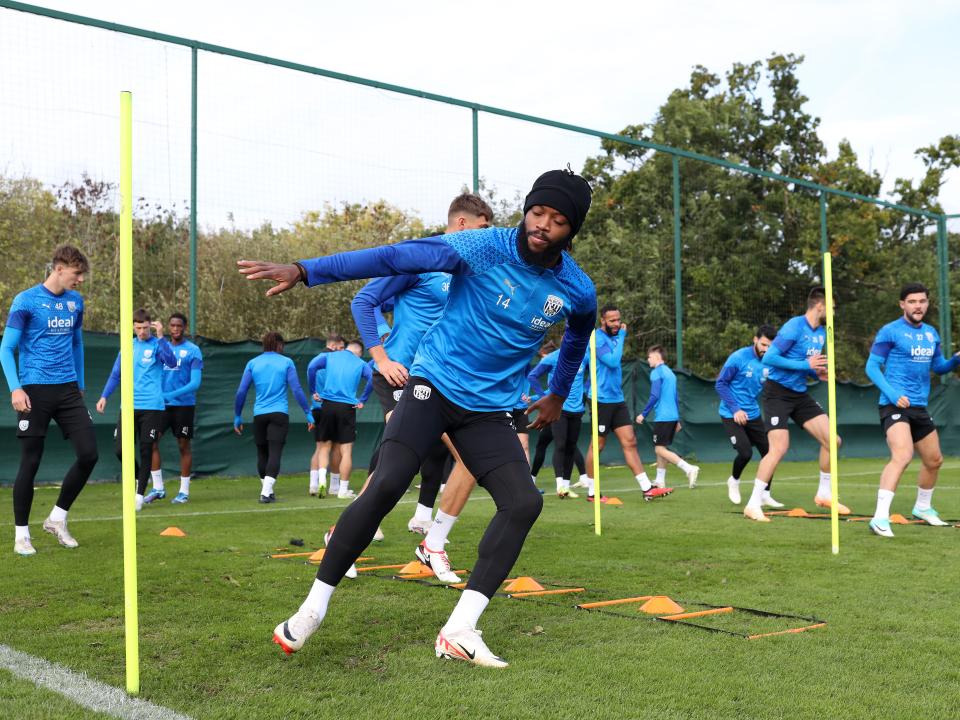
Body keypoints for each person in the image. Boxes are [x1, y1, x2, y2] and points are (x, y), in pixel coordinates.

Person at [240, 167, 595, 668]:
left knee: (522, 503)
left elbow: (579, 336)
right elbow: (393, 256)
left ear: (571, 229)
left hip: (489, 409)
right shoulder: (482, 246)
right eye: (537, 211)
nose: (542, 224)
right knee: (387, 483)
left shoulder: (577, 289)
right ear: (527, 210)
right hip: (433, 384)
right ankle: (311, 608)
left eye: (557, 220)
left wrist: (558, 392)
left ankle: (460, 628)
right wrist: (304, 270)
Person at [350, 193, 494, 533]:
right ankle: (350, 530)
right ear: (462, 223)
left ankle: (428, 531)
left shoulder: (467, 269)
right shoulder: (424, 258)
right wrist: (382, 356)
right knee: (399, 461)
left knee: (461, 459)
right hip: (400, 374)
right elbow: (365, 301)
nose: (488, 234)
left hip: (438, 377)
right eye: (483, 227)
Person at [1, 245, 99, 555]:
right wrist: (16, 389)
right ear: (59, 269)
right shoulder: (26, 301)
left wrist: (81, 383)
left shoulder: (75, 302)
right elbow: (6, 349)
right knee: (31, 461)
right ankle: (21, 535)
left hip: (68, 390)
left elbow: (77, 343)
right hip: (34, 390)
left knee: (89, 454)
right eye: (76, 273)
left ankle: (57, 518)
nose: (80, 279)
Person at [864, 283, 959, 537]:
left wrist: (956, 360)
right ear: (902, 304)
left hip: (919, 406)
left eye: (922, 301)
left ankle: (923, 508)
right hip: (893, 405)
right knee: (903, 455)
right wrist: (893, 394)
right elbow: (872, 368)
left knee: (934, 460)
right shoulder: (890, 331)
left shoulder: (931, 334)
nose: (918, 306)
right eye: (912, 301)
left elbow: (938, 367)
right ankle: (880, 517)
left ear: (927, 304)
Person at [743, 287, 844, 522]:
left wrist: (816, 372)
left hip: (799, 393)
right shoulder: (794, 327)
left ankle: (824, 493)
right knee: (779, 448)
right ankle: (753, 504)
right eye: (833, 308)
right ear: (820, 305)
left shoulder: (821, 332)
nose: (834, 313)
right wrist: (806, 365)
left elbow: (804, 363)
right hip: (777, 393)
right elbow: (769, 358)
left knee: (833, 440)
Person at [96, 309, 177, 511]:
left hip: (152, 407)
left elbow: (172, 362)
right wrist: (104, 396)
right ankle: (141, 477)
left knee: (146, 448)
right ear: (133, 327)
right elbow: (116, 374)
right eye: (138, 327)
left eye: (145, 327)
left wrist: (161, 337)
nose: (141, 331)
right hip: (128, 407)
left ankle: (139, 494)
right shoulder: (127, 346)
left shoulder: (157, 345)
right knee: (120, 450)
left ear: (150, 325)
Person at [582, 305, 655, 495]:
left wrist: (618, 338)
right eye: (612, 320)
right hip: (600, 399)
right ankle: (592, 492)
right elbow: (613, 361)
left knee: (630, 441)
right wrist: (622, 336)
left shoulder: (613, 339)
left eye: (618, 319)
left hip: (617, 399)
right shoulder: (596, 338)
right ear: (603, 321)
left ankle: (647, 488)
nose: (616, 324)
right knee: (597, 445)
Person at [233, 332, 313, 503]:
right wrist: (307, 412)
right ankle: (265, 492)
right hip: (279, 414)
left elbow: (241, 391)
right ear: (279, 345)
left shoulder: (253, 363)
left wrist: (237, 416)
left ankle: (267, 491)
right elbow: (297, 389)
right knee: (275, 452)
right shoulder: (286, 362)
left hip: (259, 415)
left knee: (262, 453)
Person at [715, 325, 779, 506]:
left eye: (770, 347)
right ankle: (733, 481)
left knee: (770, 453)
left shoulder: (772, 361)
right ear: (755, 340)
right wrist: (735, 409)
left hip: (753, 414)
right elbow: (720, 384)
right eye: (764, 345)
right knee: (745, 453)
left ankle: (765, 494)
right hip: (730, 413)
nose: (766, 350)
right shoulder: (738, 358)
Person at [148, 312, 203, 504]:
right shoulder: (160, 347)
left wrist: (170, 395)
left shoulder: (193, 350)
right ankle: (158, 488)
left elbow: (195, 383)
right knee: (152, 442)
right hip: (160, 407)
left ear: (184, 328)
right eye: (172, 325)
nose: (176, 329)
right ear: (168, 327)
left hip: (184, 406)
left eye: (179, 326)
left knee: (183, 446)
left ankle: (184, 491)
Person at [309, 339, 373, 499]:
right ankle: (342, 490)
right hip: (347, 408)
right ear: (359, 352)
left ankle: (322, 480)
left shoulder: (330, 356)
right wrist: (363, 400)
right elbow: (373, 378)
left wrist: (312, 390)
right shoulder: (360, 363)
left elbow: (311, 367)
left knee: (324, 447)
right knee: (345, 450)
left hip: (327, 405)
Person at [527, 347, 589, 498]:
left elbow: (595, 374)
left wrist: (585, 391)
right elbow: (532, 376)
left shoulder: (584, 356)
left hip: (577, 410)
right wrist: (542, 398)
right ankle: (559, 485)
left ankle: (567, 487)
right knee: (559, 445)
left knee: (571, 447)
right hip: (559, 409)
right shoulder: (552, 358)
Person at [635, 345, 699, 490]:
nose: (648, 359)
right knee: (661, 448)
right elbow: (675, 397)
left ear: (657, 357)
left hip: (663, 417)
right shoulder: (670, 373)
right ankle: (660, 481)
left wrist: (643, 414)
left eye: (650, 356)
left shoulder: (656, 373)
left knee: (659, 450)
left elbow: (654, 395)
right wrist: (677, 419)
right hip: (671, 417)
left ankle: (689, 468)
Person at [306, 333, 345, 497]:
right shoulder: (336, 363)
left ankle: (314, 484)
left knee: (320, 447)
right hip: (333, 407)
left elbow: (311, 383)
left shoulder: (314, 361)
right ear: (334, 346)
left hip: (316, 409)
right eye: (342, 348)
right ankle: (334, 486)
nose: (343, 351)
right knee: (336, 447)